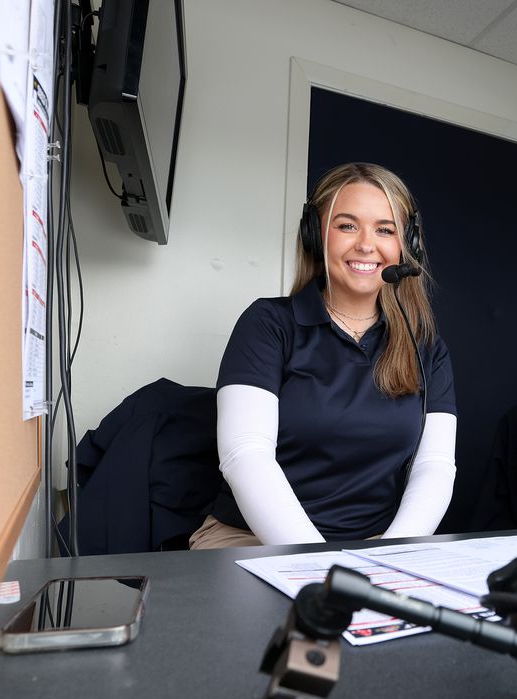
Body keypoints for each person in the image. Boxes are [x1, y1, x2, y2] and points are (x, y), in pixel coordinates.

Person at [189, 163, 457, 548]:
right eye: (347, 225)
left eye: (385, 229)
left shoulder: (426, 347)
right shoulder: (268, 324)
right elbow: (245, 455)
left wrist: (391, 555)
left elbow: (435, 466)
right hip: (252, 538)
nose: (367, 244)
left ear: (407, 244)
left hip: (375, 542)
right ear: (315, 235)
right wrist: (318, 564)